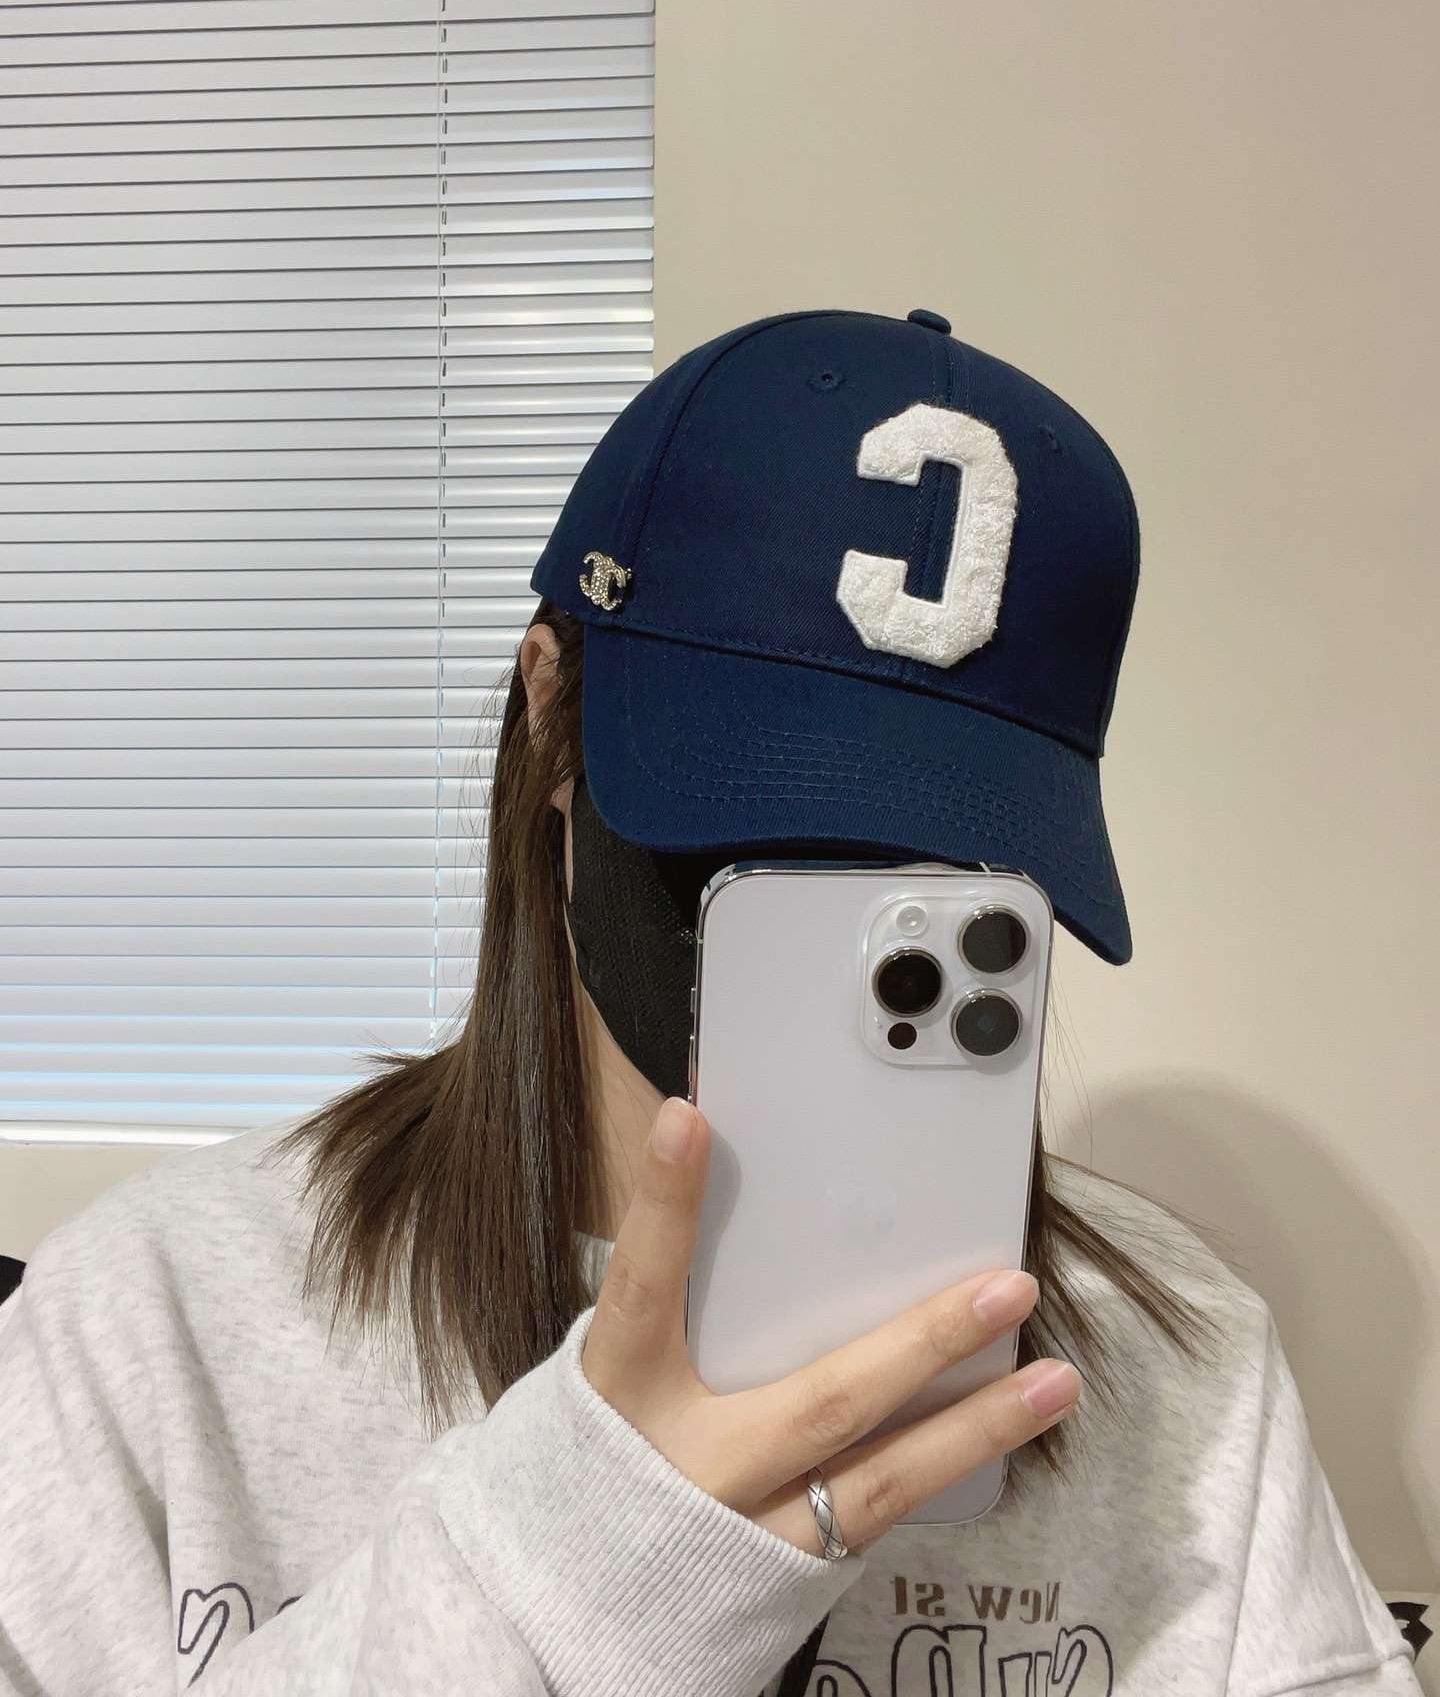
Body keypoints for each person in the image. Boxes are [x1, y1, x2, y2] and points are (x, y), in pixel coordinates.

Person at [0, 308, 1420, 1697]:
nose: (845, 900)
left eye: (942, 855)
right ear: (549, 710)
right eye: (755, 814)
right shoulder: (155, 1328)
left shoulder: (1185, 1365)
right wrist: (586, 1569)